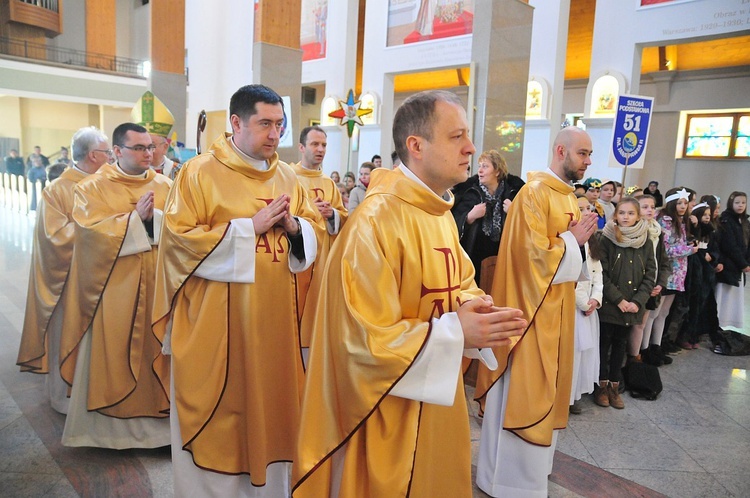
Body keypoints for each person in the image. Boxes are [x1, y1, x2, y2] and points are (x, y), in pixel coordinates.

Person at [292, 89, 527, 497]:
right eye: (457, 137)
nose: (470, 148)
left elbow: (460, 280)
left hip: (438, 401)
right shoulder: (374, 221)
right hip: (388, 416)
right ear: (416, 146)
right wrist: (457, 332)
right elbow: (362, 342)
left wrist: (476, 307)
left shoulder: (435, 212)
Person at [152, 84, 321, 496]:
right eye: (264, 123)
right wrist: (250, 230)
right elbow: (178, 243)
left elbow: (312, 230)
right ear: (235, 123)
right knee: (222, 412)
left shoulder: (286, 175)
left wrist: (296, 228)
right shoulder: (199, 173)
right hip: (217, 327)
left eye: (279, 124)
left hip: (275, 325)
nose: (274, 134)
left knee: (272, 412)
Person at [474, 126, 598, 497]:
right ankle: (504, 483)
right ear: (561, 150)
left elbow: (571, 260)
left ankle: (531, 478)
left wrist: (576, 247)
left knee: (546, 395)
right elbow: (530, 261)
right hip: (527, 320)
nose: (588, 161)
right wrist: (571, 243)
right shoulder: (533, 194)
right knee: (521, 395)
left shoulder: (568, 198)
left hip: (556, 317)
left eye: (589, 154)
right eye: (583, 153)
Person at [59, 122, 171, 448]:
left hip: (158, 290)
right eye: (139, 148)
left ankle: (162, 435)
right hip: (114, 291)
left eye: (150, 147)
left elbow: (183, 230)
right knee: (115, 356)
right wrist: (136, 220)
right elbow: (89, 234)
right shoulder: (92, 188)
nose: (148, 153)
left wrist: (154, 221)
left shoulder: (167, 185)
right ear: (117, 152)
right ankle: (109, 436)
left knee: (157, 354)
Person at [16, 127, 112, 415]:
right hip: (68, 281)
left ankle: (95, 396)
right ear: (94, 156)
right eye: (108, 152)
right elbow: (55, 236)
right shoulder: (58, 189)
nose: (111, 157)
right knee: (67, 336)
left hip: (104, 277)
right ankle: (63, 398)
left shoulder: (108, 184)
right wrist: (107, 231)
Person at [292, 125, 348, 362]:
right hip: (296, 260)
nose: (320, 149)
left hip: (323, 261)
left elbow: (344, 219)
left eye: (324, 145)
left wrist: (332, 214)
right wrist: (310, 212)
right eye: (315, 144)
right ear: (302, 147)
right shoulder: (287, 177)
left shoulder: (329, 183)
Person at [594, 197, 656, 409]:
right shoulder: (607, 239)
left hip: (632, 306)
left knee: (620, 345)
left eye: (631, 213)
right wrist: (619, 299)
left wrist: (638, 302)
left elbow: (650, 273)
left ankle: (614, 385)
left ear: (638, 216)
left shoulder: (645, 241)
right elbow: (600, 272)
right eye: (622, 213)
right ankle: (601, 386)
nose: (626, 217)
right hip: (612, 304)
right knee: (604, 344)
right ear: (615, 216)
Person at [451, 149, 524, 285]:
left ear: (497, 171)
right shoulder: (469, 192)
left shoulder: (514, 194)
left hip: (504, 260)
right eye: (479, 166)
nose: (480, 171)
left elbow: (527, 227)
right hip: (473, 258)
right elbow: (451, 223)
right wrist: (469, 217)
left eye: (485, 166)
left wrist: (515, 213)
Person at [649, 187, 698, 356]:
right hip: (666, 273)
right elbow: (666, 249)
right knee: (654, 314)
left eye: (685, 203)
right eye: (679, 203)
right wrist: (688, 250)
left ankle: (657, 345)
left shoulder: (681, 221)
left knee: (664, 313)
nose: (683, 206)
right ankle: (646, 348)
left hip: (677, 275)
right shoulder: (665, 220)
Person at [569, 195, 603, 415]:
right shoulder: (569, 240)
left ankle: (577, 393)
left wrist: (596, 298)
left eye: (587, 208)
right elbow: (574, 276)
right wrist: (583, 302)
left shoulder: (593, 240)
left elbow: (597, 273)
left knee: (586, 354)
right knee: (573, 354)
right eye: (579, 208)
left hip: (589, 309)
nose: (585, 212)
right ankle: (567, 395)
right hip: (574, 308)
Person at [630, 194, 672, 366]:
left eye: (652, 207)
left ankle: (636, 359)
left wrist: (660, 283)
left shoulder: (657, 231)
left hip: (651, 285)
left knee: (640, 325)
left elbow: (664, 261)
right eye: (644, 206)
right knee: (627, 327)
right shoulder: (631, 231)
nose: (649, 210)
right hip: (635, 286)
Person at [677, 202, 721, 348]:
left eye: (709, 215)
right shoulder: (694, 229)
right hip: (694, 273)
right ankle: (683, 337)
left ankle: (693, 336)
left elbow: (715, 249)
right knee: (690, 306)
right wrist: (695, 225)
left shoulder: (710, 233)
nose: (708, 217)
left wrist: (713, 258)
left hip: (705, 274)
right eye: (705, 214)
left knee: (699, 306)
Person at [715, 191, 749, 334]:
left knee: (732, 300)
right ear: (731, 203)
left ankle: (723, 327)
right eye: (737, 203)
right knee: (722, 298)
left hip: (738, 266)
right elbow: (730, 245)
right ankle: (716, 326)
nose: (740, 205)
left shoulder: (744, 221)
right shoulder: (727, 220)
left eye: (743, 202)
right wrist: (743, 263)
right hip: (729, 266)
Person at [131, 90, 178, 179]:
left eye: (151, 146)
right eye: (140, 147)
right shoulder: (132, 173)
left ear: (165, 147)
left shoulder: (181, 173)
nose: (146, 152)